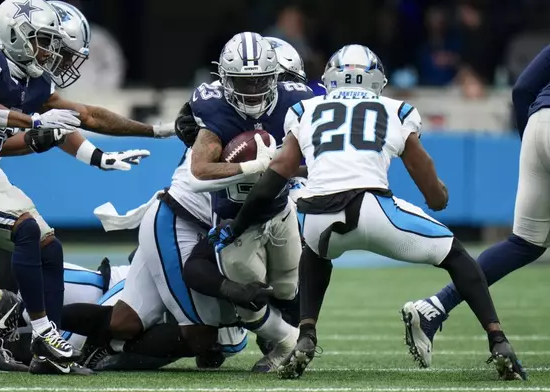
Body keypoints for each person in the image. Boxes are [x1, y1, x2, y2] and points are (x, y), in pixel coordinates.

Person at [208, 44, 526, 381]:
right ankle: (498, 340)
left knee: (316, 252)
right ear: (376, 81)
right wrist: (438, 196)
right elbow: (428, 181)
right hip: (373, 209)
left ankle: (306, 334)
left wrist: (238, 224)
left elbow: (277, 173)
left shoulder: (306, 109)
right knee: (457, 256)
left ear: (331, 79)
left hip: (315, 216)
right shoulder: (395, 110)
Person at [0, 0, 173, 375]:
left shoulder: (32, 78)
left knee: (48, 248)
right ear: (14, 35)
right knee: (11, 239)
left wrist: (157, 131)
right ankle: (35, 332)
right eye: (41, 40)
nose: (49, 51)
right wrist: (35, 120)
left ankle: (46, 348)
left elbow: (83, 117)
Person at [402, 44, 550, 369]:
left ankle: (435, 306)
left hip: (539, 121)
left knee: (525, 242)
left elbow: (524, 88)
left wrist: (533, 139)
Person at [187, 31, 315, 372]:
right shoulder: (212, 107)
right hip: (235, 218)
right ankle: (283, 345)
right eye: (243, 82)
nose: (252, 91)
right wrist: (254, 166)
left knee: (288, 287)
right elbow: (198, 171)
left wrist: (281, 169)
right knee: (249, 295)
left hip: (279, 209)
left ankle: (286, 341)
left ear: (276, 77)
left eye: (260, 81)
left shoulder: (297, 98)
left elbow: (318, 154)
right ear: (225, 79)